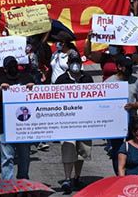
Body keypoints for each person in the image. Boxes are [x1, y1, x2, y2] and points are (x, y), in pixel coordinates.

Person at [55, 55, 93, 192]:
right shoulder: (61, 80)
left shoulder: (87, 79)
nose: (75, 65)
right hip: (67, 122)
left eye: (77, 62)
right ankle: (67, 179)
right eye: (73, 62)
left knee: (82, 150)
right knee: (68, 149)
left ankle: (77, 177)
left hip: (84, 121)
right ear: (68, 63)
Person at [105, 56, 138, 172]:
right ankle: (119, 175)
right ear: (119, 67)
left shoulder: (136, 81)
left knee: (134, 148)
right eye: (127, 67)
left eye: (131, 67)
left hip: (132, 120)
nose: (130, 69)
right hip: (115, 122)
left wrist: (132, 106)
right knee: (117, 150)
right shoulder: (109, 82)